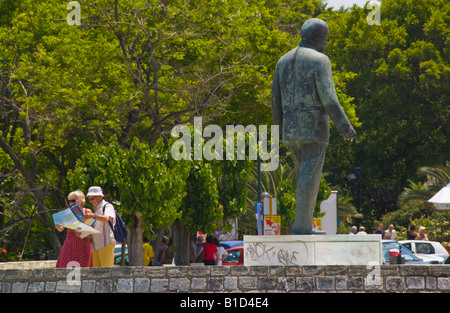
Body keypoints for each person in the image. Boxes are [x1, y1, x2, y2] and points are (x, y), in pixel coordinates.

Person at [271, 18, 357, 234]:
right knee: (310, 178)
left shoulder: (282, 61)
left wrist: (279, 129)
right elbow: (329, 97)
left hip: (290, 129)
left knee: (303, 177)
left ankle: (304, 224)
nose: (326, 42)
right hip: (314, 128)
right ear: (318, 36)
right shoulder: (320, 60)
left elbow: (274, 99)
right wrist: (344, 125)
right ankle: (302, 227)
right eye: (325, 37)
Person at [55, 190, 93, 268]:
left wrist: (81, 231)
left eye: (73, 201)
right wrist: (58, 225)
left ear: (81, 201)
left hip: (84, 244)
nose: (70, 203)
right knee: (66, 268)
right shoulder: (68, 213)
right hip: (70, 245)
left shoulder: (87, 211)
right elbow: (60, 229)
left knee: (84, 269)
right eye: (69, 201)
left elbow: (91, 230)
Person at [82, 186, 116, 267]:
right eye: (89, 199)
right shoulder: (96, 209)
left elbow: (106, 219)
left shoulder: (107, 206)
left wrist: (93, 216)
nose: (90, 201)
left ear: (100, 196)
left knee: (106, 272)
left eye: (92, 198)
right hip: (96, 245)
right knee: (96, 273)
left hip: (106, 243)